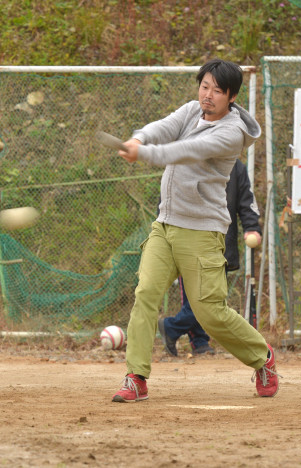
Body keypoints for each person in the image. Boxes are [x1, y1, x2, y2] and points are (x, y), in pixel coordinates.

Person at [111, 58, 279, 402]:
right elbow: (163, 127)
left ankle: (262, 358)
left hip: (202, 231)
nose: (208, 95)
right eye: (204, 86)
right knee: (146, 294)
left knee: (210, 312)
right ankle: (136, 377)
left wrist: (143, 153)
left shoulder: (231, 133)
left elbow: (188, 150)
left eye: (217, 90)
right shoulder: (191, 110)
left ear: (231, 96)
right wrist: (138, 138)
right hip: (165, 224)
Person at [158, 158, 262, 357]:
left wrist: (251, 227)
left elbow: (246, 201)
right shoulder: (185, 159)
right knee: (194, 298)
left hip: (219, 244)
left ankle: (179, 332)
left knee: (212, 298)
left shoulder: (235, 166)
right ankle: (195, 339)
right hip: (186, 241)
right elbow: (166, 203)